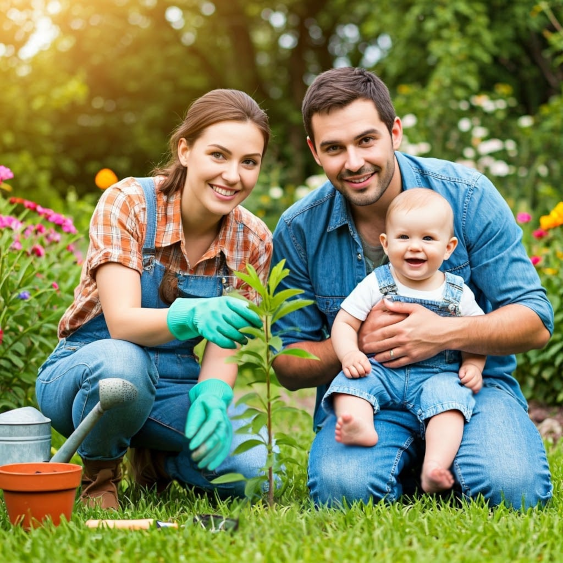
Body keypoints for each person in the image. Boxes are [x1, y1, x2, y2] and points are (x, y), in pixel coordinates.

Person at [271, 67, 554, 509]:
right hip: (373, 394)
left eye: (366, 140)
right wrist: (357, 343)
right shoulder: (299, 229)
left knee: (512, 488)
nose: (353, 162)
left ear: (394, 132)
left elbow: (535, 322)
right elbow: (288, 364)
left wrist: (440, 334)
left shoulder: (467, 196)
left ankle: (446, 459)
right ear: (314, 151)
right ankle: (407, 464)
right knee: (341, 491)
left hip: (470, 387)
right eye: (333, 148)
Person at [36, 89, 273, 510]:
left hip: (173, 384)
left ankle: (158, 463)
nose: (233, 175)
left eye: (248, 162)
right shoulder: (129, 203)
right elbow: (122, 323)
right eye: (218, 155)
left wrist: (214, 394)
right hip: (88, 369)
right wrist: (194, 312)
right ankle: (101, 475)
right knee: (124, 365)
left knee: (259, 469)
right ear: (185, 150)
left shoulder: (252, 238)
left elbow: (226, 341)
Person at [326, 188, 485, 494]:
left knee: (449, 405)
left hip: (436, 376)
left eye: (427, 239)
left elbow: (475, 333)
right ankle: (360, 426)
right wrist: (348, 354)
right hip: (382, 370)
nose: (415, 247)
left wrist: (474, 366)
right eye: (404, 238)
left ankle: (433, 466)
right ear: (386, 243)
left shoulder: (457, 292)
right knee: (351, 383)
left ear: (449, 247)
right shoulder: (377, 282)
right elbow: (345, 321)